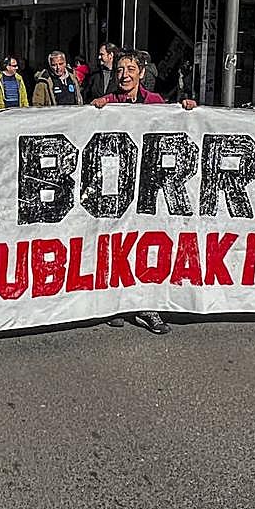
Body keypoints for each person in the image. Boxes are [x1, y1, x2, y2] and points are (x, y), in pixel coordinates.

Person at [91, 50, 198, 334]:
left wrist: (186, 111)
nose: (124, 75)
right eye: (120, 70)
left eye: (130, 69)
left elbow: (173, 126)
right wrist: (94, 110)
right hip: (114, 188)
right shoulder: (107, 102)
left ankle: (147, 307)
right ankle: (115, 304)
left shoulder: (155, 102)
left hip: (146, 188)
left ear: (141, 73)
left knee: (145, 245)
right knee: (114, 243)